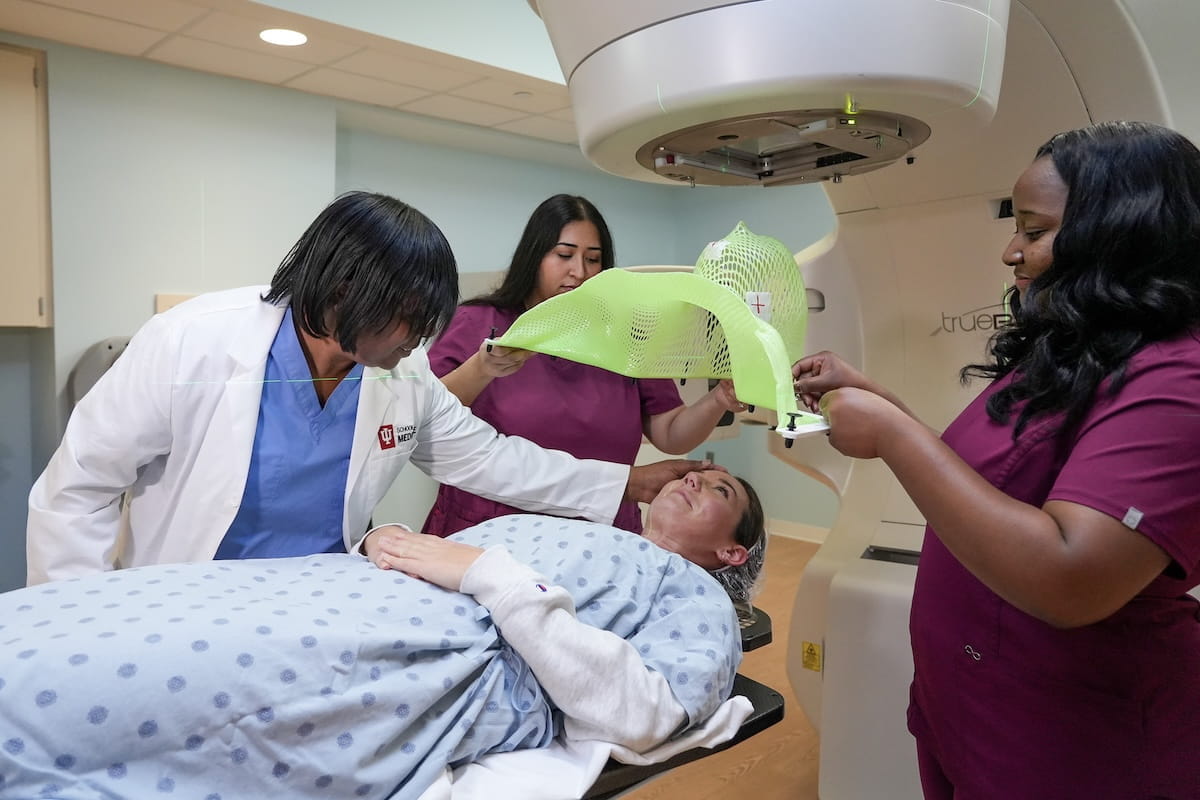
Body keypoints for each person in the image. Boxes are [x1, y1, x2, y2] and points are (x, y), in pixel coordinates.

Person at [792, 120, 1200, 798]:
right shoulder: (1075, 348)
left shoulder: (1179, 380)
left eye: (1035, 233)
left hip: (1079, 741)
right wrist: (880, 402)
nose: (1011, 252)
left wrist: (893, 435)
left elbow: (1072, 575)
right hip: (977, 708)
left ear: (1119, 233)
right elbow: (989, 482)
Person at [25, 191, 711, 586]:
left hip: (324, 597)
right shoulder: (191, 340)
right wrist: (81, 617)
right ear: (347, 289)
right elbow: (80, 485)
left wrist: (627, 484)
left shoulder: (399, 375)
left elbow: (492, 458)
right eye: (411, 316)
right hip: (189, 597)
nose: (421, 339)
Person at [0, 469, 766, 800]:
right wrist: (386, 544)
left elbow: (646, 712)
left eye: (719, 489)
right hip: (340, 587)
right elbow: (449, 556)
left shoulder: (698, 599)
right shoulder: (585, 530)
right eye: (696, 474)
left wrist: (492, 576)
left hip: (424, 648)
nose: (694, 478)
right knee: (143, 604)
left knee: (122, 681)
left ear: (734, 552)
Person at [422, 193, 747, 537]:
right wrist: (482, 369)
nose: (579, 272)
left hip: (600, 534)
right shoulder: (478, 322)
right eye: (564, 255)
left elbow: (670, 433)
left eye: (593, 260)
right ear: (534, 257)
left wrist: (718, 401)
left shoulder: (627, 333)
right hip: (491, 531)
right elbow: (426, 414)